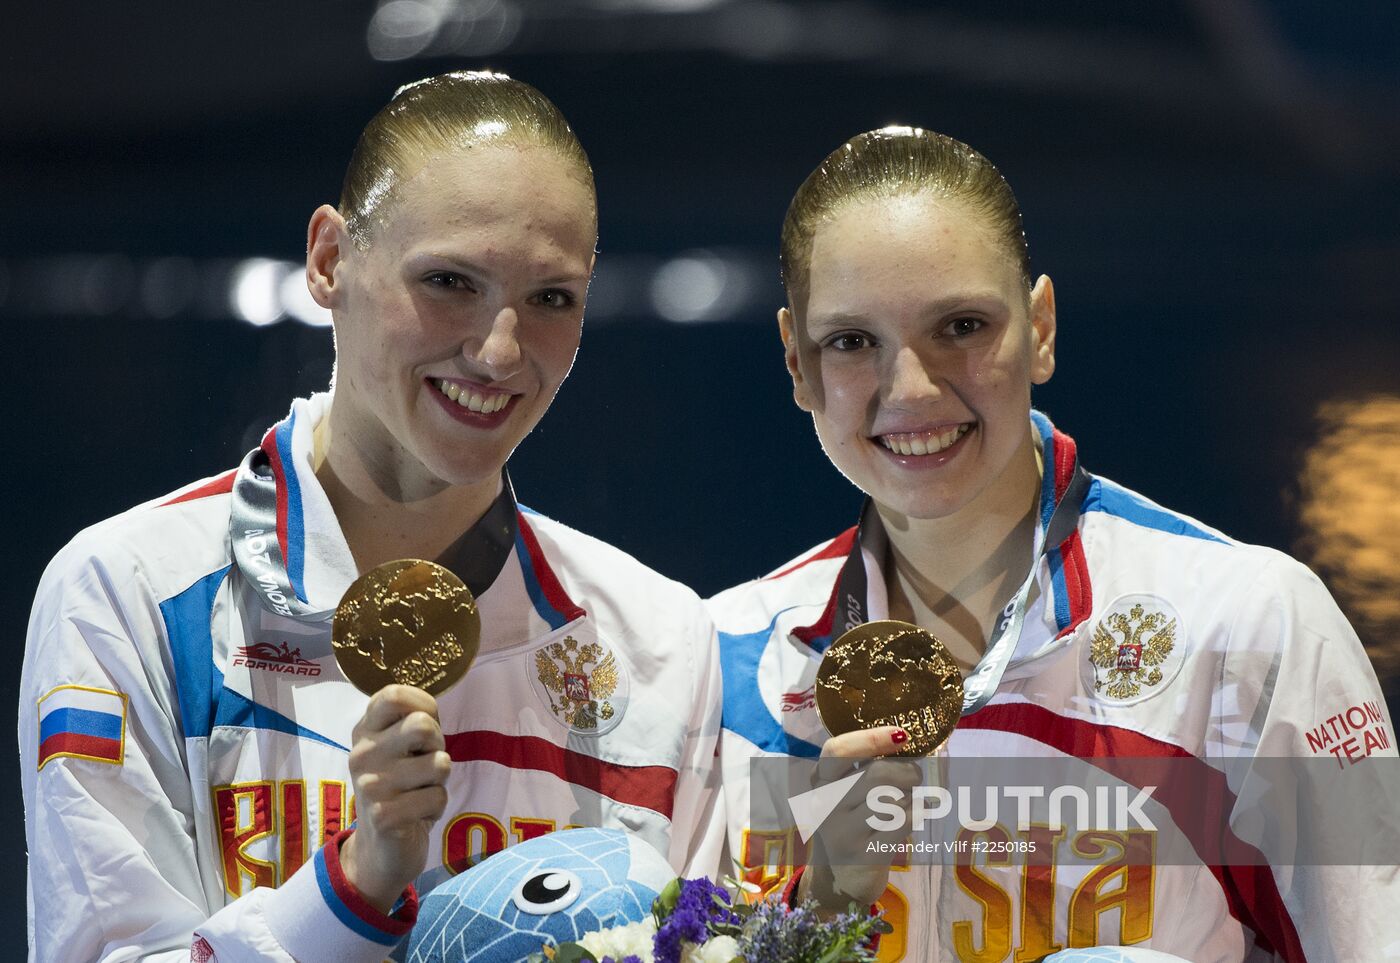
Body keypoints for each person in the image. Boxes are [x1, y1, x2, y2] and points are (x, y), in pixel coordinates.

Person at [21, 71, 722, 962]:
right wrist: (347, 890)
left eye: (552, 298)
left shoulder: (660, 639)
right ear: (329, 261)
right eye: (449, 281)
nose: (500, 350)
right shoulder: (130, 592)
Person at [711, 126, 1399, 961]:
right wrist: (815, 914)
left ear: (1040, 328)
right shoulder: (731, 663)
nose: (912, 388)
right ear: (796, 361)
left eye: (960, 325)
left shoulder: (1247, 627)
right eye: (853, 341)